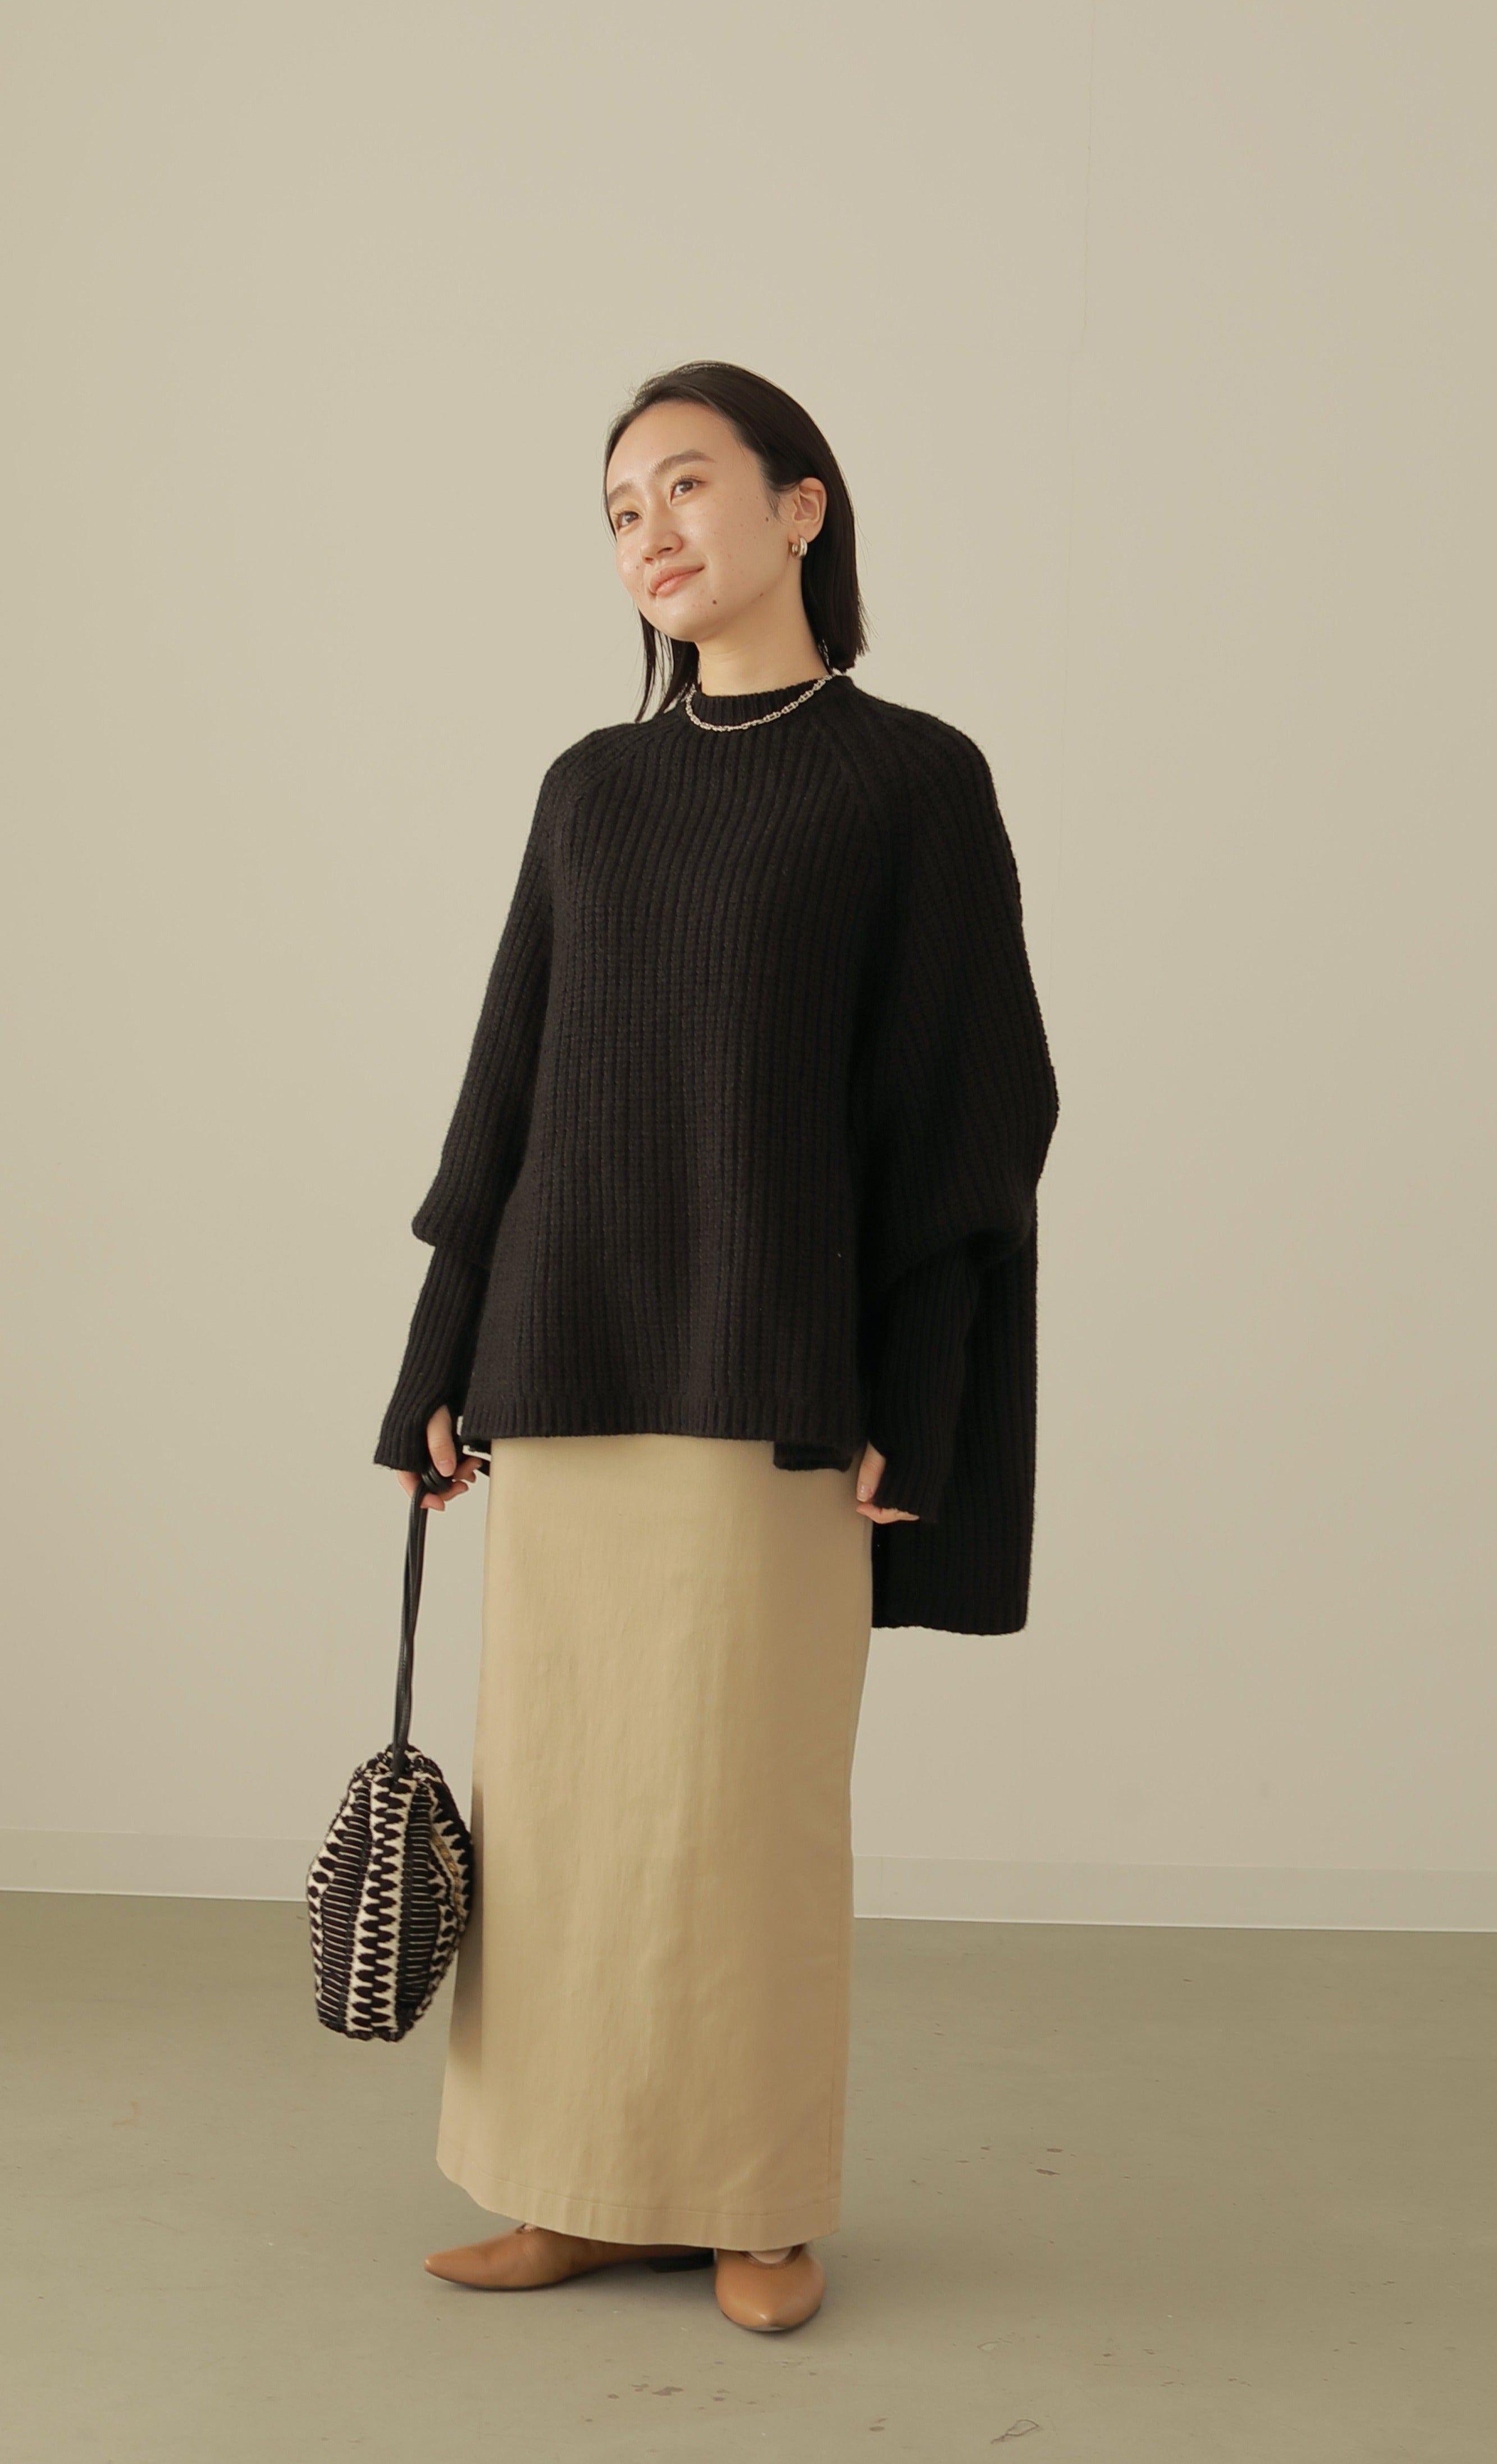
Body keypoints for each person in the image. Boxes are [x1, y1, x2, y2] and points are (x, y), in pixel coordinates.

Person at [372, 360, 1060, 2333]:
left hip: (773, 1389)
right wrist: (436, 1355)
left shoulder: (907, 779)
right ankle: (566, 2186)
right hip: (566, 1365)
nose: (650, 532)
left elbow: (965, 1116)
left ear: (800, 506)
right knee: (567, 1812)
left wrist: (915, 1396)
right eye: (618, 509)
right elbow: (505, 1090)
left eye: (685, 485)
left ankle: (752, 2199)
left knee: (741, 1817)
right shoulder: (591, 787)